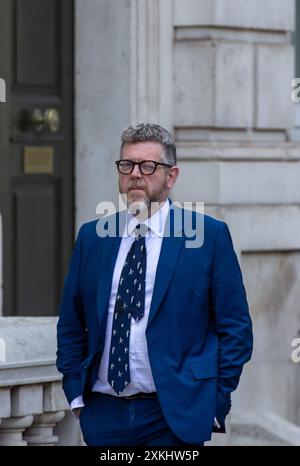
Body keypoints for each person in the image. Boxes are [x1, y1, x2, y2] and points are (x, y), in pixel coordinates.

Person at [56, 123, 253, 446]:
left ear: (171, 176)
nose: (135, 174)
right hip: (104, 414)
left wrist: (215, 401)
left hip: (173, 416)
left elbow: (236, 329)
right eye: (127, 164)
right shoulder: (93, 237)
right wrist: (76, 395)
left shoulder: (207, 237)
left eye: (148, 166)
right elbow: (71, 323)